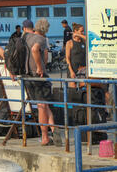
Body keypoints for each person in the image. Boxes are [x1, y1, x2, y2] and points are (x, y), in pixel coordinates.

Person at [25, 18, 60, 146]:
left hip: (28, 76)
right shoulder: (41, 39)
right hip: (39, 76)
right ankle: (45, 137)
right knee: (42, 106)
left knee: (44, 105)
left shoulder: (27, 37)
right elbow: (35, 50)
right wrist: (40, 66)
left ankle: (54, 130)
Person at [65, 23, 86, 88]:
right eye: (81, 31)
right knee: (73, 89)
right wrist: (71, 71)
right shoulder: (69, 43)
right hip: (73, 68)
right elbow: (67, 58)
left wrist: (78, 34)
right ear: (75, 31)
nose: (83, 32)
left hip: (82, 69)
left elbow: (89, 39)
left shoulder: (84, 41)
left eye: (83, 31)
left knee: (83, 86)